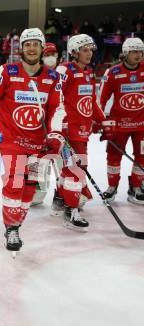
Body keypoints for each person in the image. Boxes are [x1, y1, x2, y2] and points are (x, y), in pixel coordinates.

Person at [0, 28, 65, 255]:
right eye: (27, 44)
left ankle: (17, 222)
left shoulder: (52, 77)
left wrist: (55, 134)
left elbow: (57, 109)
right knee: (14, 182)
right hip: (9, 140)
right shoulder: (7, 71)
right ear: (21, 48)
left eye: (35, 44)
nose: (31, 48)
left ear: (41, 48)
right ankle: (11, 227)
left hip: (38, 143)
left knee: (31, 187)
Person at [52, 34, 105, 231]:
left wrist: (102, 121)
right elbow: (54, 98)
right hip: (67, 131)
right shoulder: (64, 70)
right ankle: (70, 210)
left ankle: (59, 200)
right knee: (76, 168)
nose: (89, 53)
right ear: (74, 52)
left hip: (82, 130)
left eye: (91, 49)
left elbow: (91, 100)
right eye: (85, 50)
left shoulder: (89, 72)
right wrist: (59, 126)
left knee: (72, 169)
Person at [98, 37, 144, 204]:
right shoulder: (113, 72)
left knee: (142, 155)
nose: (138, 55)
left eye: (140, 51)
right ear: (125, 53)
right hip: (119, 124)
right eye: (134, 51)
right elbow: (100, 100)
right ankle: (112, 187)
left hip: (142, 125)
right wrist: (99, 120)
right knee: (113, 156)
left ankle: (136, 187)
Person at [31, 41, 60, 206]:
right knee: (39, 162)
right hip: (38, 130)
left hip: (59, 128)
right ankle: (35, 189)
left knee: (63, 164)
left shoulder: (62, 74)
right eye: (47, 54)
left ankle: (62, 193)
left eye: (53, 54)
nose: (51, 58)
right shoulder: (37, 75)